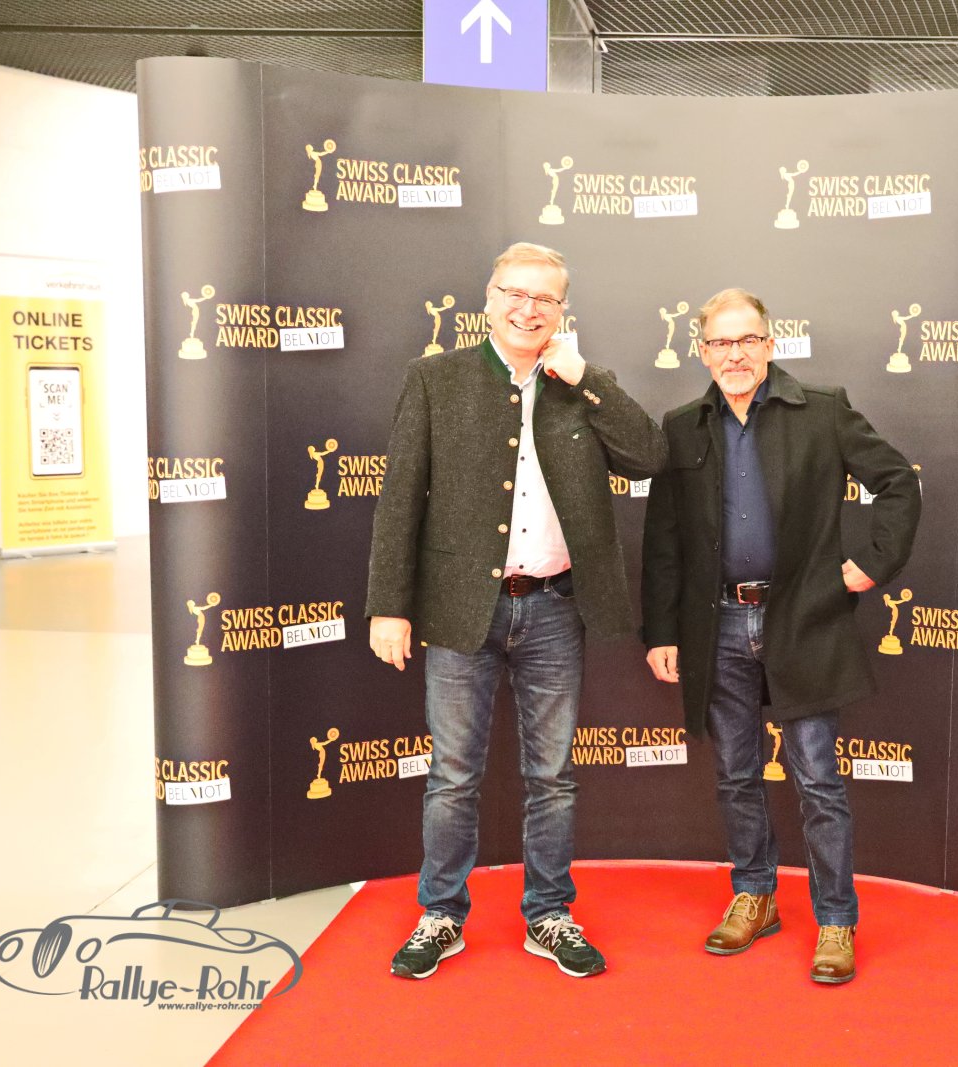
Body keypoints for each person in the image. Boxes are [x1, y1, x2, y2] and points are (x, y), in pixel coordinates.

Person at [366, 242, 667, 980]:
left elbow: (649, 457)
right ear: (489, 299)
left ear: (563, 311)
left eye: (545, 299)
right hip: (459, 609)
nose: (528, 309)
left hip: (555, 608)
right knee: (452, 776)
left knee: (552, 776)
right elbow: (399, 499)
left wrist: (586, 379)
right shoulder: (435, 379)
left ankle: (549, 914)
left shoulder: (582, 383)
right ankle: (441, 913)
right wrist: (388, 607)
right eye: (515, 293)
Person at [641, 288, 920, 984]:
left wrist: (873, 563)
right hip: (717, 625)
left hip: (803, 619)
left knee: (818, 780)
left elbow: (897, 482)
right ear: (702, 352)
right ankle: (755, 895)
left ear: (770, 344)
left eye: (747, 340)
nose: (734, 354)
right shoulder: (681, 427)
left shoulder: (822, 410)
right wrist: (662, 630)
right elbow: (664, 541)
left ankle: (836, 920)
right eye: (720, 343)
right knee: (736, 774)